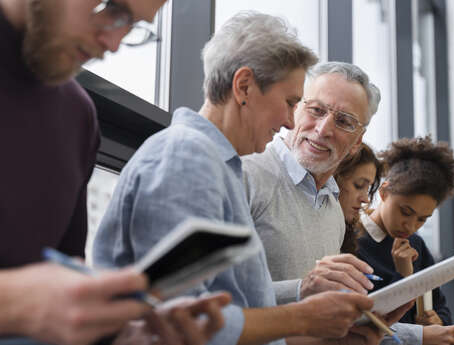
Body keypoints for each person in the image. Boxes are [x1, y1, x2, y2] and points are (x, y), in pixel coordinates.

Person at [93, 12, 379, 345]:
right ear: (243, 87)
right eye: (291, 103)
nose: (290, 122)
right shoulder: (186, 159)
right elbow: (178, 319)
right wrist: (303, 319)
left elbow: (228, 310)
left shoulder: (218, 167)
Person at [0, 0, 228, 344]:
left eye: (132, 26)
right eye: (112, 8)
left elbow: (60, 279)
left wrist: (122, 329)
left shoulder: (76, 115)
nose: (113, 42)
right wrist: (15, 304)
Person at [242, 62, 417, 345]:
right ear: (296, 109)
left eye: (344, 121)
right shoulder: (244, 174)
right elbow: (205, 298)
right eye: (316, 110)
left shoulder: (334, 210)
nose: (323, 129)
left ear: (357, 141)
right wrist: (300, 290)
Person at [335, 140, 454, 345]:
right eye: (405, 212)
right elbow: (367, 320)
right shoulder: (351, 242)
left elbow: (439, 304)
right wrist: (403, 276)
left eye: (422, 219)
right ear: (384, 192)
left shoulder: (416, 245)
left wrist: (438, 321)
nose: (410, 226)